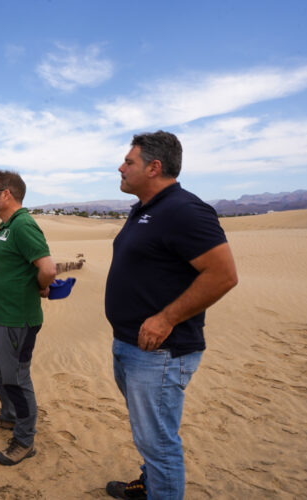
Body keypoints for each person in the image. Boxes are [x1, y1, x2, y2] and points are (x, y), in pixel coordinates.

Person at [105, 131, 238, 500]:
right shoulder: (145, 209)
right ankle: (150, 486)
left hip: (160, 352)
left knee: (159, 442)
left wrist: (166, 319)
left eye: (128, 162)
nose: (121, 167)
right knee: (149, 435)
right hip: (131, 345)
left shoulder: (185, 210)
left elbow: (223, 275)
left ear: (154, 167)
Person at [0, 170, 56, 466]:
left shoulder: (23, 225)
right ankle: (10, 415)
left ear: (6, 194)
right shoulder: (7, 226)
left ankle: (24, 440)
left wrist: (42, 286)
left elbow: (47, 268)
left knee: (16, 379)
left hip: (17, 320)